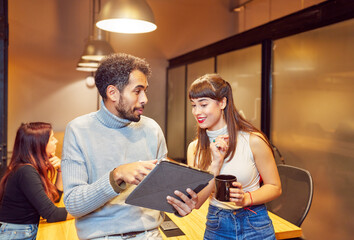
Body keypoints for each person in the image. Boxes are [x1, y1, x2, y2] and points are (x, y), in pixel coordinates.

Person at [61, 53, 197, 240]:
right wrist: (117, 175)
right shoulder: (78, 130)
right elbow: (73, 205)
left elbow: (163, 193)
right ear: (112, 93)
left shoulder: (152, 129)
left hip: (150, 235)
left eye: (145, 91)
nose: (144, 99)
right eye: (137, 91)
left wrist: (180, 205)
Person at [186, 73, 282, 240]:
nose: (197, 112)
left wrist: (246, 198)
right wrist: (216, 163)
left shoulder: (253, 140)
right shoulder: (195, 148)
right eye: (194, 105)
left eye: (203, 104)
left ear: (222, 102)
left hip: (254, 221)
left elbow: (275, 187)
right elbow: (197, 202)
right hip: (217, 223)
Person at [0, 122, 73, 240]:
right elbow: (52, 214)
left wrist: (61, 170)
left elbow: (54, 198)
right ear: (39, 145)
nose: (56, 142)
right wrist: (85, 210)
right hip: (16, 234)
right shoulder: (26, 172)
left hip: (22, 231)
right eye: (52, 138)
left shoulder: (28, 168)